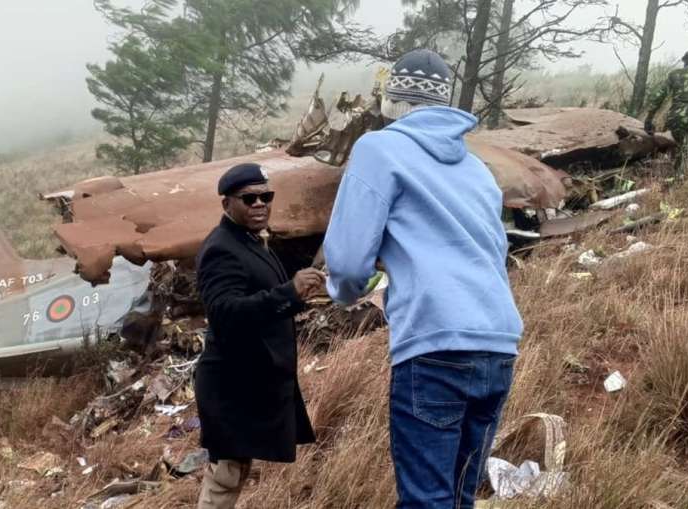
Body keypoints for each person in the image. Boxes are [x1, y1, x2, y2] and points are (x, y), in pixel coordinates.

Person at [322, 49, 524, 509]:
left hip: (435, 343)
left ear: (393, 99)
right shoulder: (476, 170)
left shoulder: (378, 148)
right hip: (498, 342)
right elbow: (497, 250)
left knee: (426, 502)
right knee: (458, 498)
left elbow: (350, 262)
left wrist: (343, 292)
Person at [194, 162, 322, 509]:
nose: (259, 204)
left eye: (266, 196)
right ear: (227, 205)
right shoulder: (221, 248)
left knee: (234, 470)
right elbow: (224, 313)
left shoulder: (250, 241)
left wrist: (294, 294)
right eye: (248, 199)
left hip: (250, 382)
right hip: (231, 385)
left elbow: (258, 298)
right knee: (224, 476)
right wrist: (288, 294)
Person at [645, 48, 688, 176]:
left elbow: (657, 97)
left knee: (677, 153)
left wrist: (649, 119)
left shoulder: (675, 74)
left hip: (675, 120)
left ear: (685, 61)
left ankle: (662, 181)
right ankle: (677, 185)